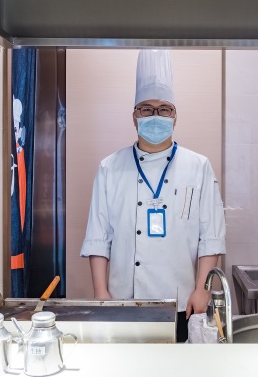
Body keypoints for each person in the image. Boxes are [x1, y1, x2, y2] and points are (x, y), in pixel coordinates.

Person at [80, 49, 226, 343]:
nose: (155, 116)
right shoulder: (109, 168)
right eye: (146, 109)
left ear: (175, 117)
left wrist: (202, 289)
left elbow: (210, 236)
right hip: (123, 302)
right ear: (134, 117)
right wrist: (100, 292)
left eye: (164, 109)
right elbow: (98, 237)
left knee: (176, 369)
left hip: (181, 301)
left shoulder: (198, 166)